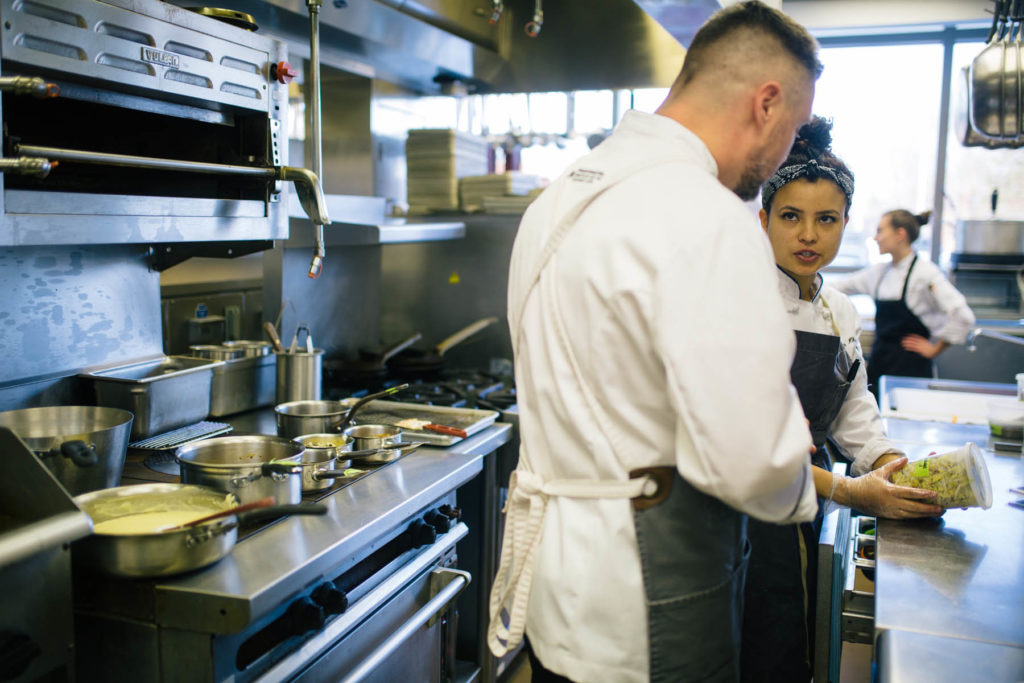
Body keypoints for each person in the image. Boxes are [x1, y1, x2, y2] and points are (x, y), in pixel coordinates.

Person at [488, 3, 825, 681]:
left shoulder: (559, 197)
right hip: (649, 612)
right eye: (790, 134)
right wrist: (796, 473)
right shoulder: (707, 214)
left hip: (559, 597)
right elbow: (754, 459)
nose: (783, 155)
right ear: (766, 103)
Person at [742, 116, 943, 683]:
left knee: (793, 638)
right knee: (760, 644)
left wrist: (886, 465)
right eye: (790, 217)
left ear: (845, 224)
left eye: (825, 219)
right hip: (743, 511)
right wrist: (854, 491)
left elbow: (854, 408)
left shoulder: (840, 310)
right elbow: (745, 443)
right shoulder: (741, 301)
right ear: (764, 220)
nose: (808, 235)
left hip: (809, 494)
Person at [832, 210, 976, 397]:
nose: (876, 238)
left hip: (912, 373)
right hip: (880, 365)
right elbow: (838, 286)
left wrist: (934, 349)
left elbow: (963, 315)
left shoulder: (925, 274)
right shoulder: (880, 273)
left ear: (900, 234)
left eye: (881, 231)